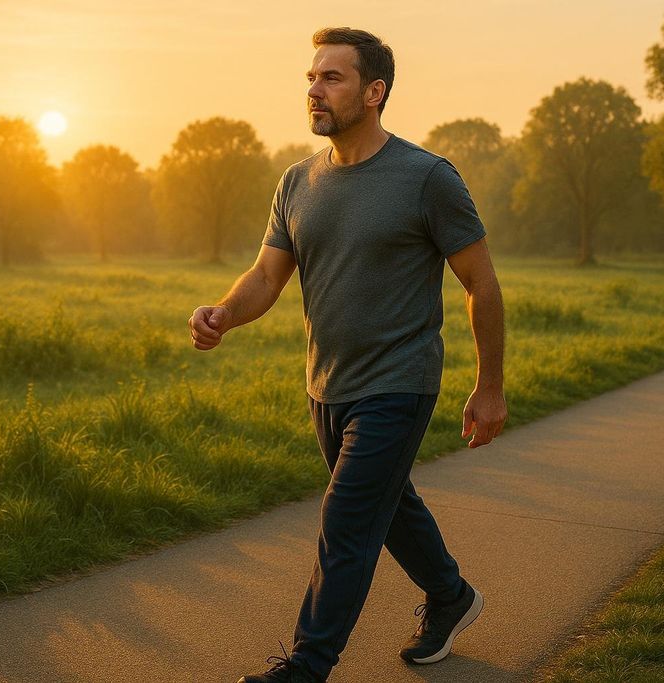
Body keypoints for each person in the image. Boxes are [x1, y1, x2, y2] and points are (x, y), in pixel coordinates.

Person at [188, 26, 507, 683]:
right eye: (311, 77)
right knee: (385, 507)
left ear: (374, 91)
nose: (314, 89)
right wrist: (224, 312)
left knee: (347, 518)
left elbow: (481, 282)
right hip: (327, 386)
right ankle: (450, 598)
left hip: (401, 381)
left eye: (331, 78)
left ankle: (307, 665)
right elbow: (266, 277)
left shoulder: (427, 178)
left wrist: (490, 384)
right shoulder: (297, 182)